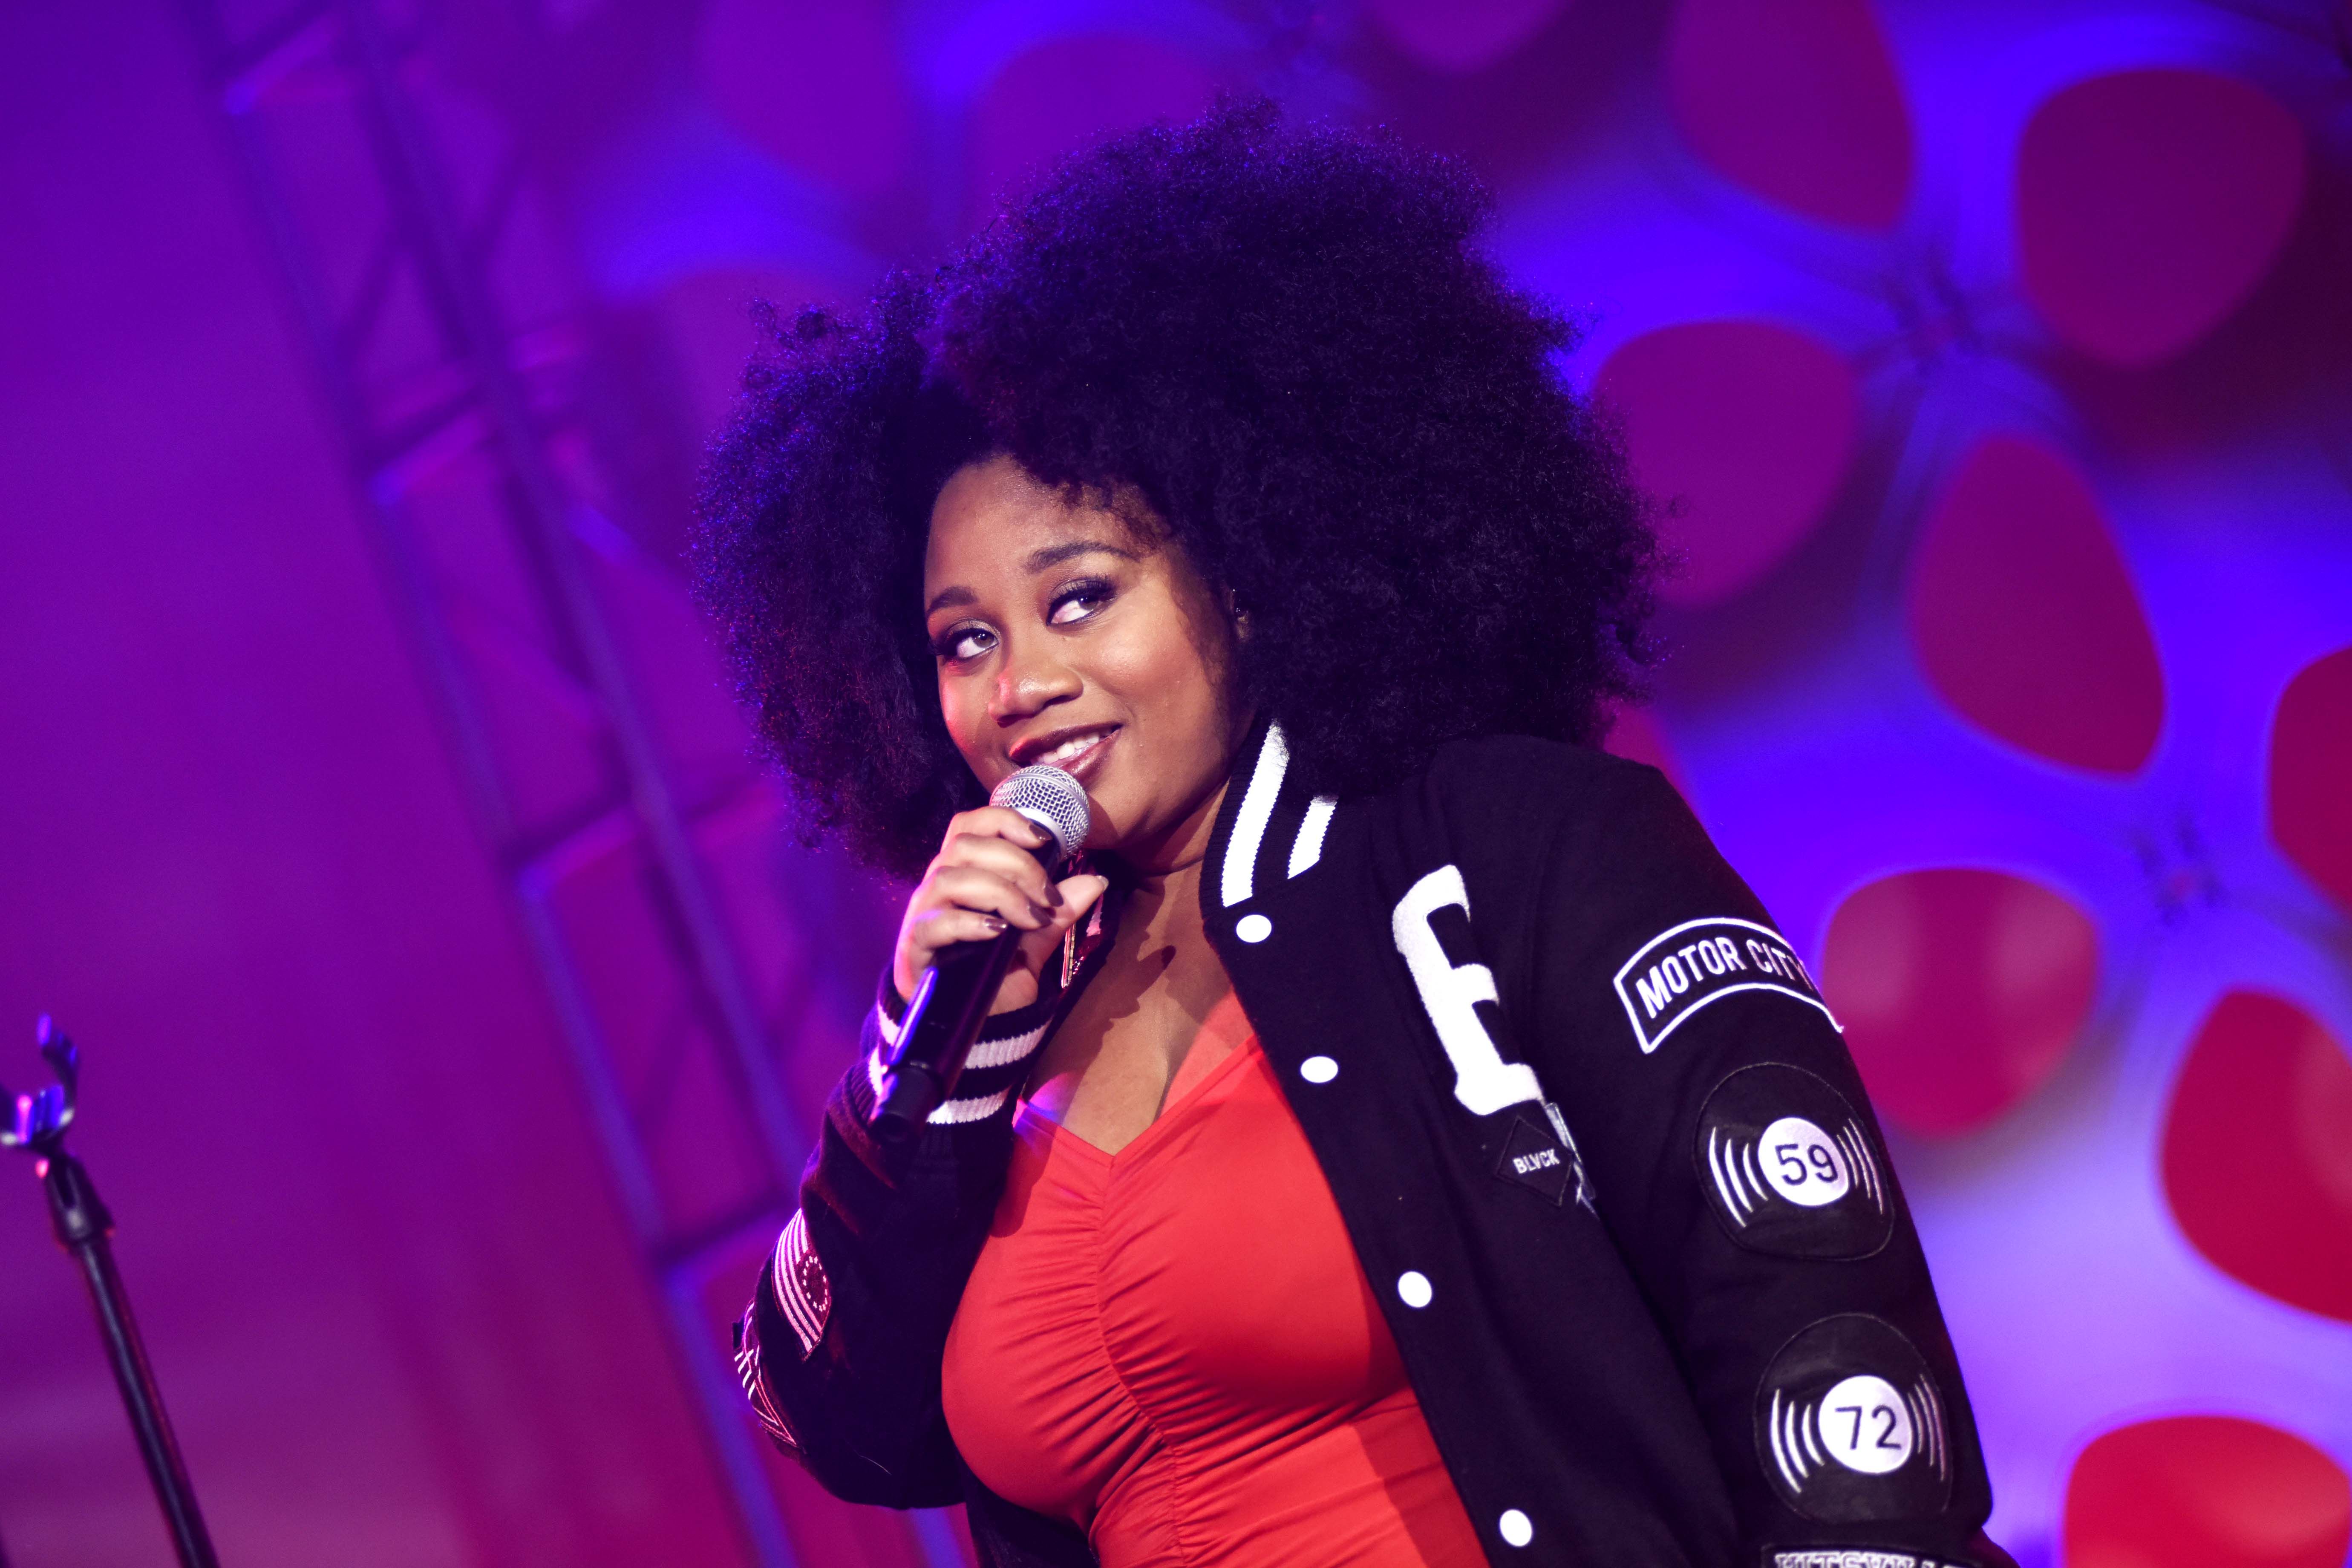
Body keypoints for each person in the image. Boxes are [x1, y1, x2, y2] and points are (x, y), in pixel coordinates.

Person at [698, 100, 2012, 1568]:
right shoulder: (990, 1032)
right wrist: (919, 1064)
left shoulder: (1518, 848)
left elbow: (1813, 1327)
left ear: (1250, 574)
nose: (1020, 687)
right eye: (963, 642)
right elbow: (835, 1421)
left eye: (1081, 600)